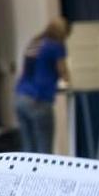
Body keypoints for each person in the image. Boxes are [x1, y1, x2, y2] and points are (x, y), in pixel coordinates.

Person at [14, 17, 70, 153]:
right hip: (38, 99)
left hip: (20, 97)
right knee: (44, 151)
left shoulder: (35, 42)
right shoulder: (55, 45)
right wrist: (69, 81)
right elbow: (62, 70)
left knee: (29, 150)